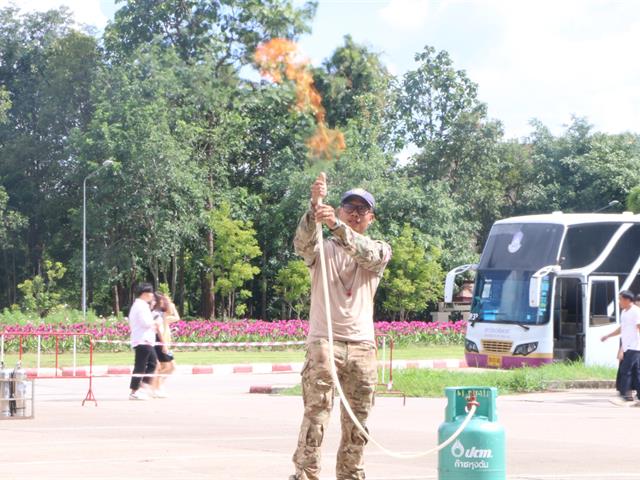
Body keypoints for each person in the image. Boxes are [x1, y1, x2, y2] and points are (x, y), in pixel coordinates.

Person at [289, 173, 392, 480]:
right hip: (325, 341)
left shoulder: (378, 248)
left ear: (370, 218)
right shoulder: (323, 246)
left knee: (358, 422)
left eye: (362, 210)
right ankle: (305, 475)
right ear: (342, 209)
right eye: (350, 208)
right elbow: (301, 244)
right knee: (315, 417)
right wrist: (314, 207)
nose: (355, 214)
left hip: (362, 345)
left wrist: (336, 224)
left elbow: (368, 255)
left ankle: (350, 475)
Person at [602, 290, 640, 406]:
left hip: (635, 346)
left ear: (627, 300)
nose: (619, 302)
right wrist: (608, 336)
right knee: (636, 372)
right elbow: (622, 329)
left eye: (620, 299)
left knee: (625, 370)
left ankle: (625, 396)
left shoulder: (636, 312)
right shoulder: (624, 312)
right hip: (627, 346)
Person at [128, 283, 158, 400]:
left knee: (152, 363)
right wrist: (154, 323)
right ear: (145, 294)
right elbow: (145, 322)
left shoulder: (141, 305)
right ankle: (134, 391)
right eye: (151, 293)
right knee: (140, 366)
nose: (152, 295)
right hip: (142, 340)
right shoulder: (140, 306)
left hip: (146, 340)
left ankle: (141, 387)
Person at [151, 293, 179, 398]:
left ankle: (157, 386)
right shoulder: (157, 314)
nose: (165, 303)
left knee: (169, 367)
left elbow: (176, 316)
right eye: (163, 301)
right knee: (167, 366)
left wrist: (171, 304)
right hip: (160, 342)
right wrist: (163, 344)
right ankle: (156, 387)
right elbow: (158, 330)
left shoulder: (163, 315)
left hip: (163, 342)